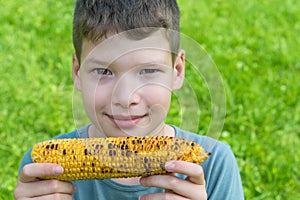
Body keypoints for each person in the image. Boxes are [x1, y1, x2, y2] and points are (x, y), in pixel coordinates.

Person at [14, 0, 244, 199]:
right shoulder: (43, 171)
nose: (125, 98)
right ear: (77, 72)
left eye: (148, 71)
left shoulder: (214, 165)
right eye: (104, 71)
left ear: (178, 71)